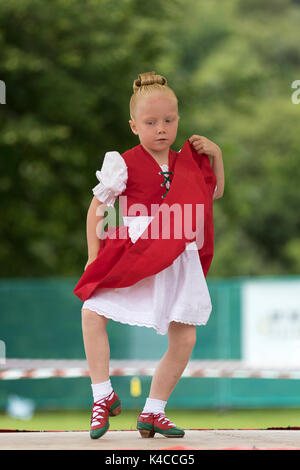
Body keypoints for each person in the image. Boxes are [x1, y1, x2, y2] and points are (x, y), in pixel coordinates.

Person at [73, 71, 225, 439]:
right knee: (92, 313)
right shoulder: (122, 163)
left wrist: (216, 155)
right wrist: (94, 255)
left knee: (185, 338)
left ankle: (153, 411)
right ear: (133, 125)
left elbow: (214, 194)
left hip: (177, 256)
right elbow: (98, 206)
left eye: (169, 121)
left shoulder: (187, 162)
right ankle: (101, 395)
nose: (162, 129)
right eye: (151, 122)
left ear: (178, 121)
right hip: (139, 254)